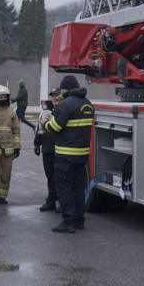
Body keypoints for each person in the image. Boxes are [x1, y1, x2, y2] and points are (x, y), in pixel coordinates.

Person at [46, 75, 94, 233]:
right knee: (78, 188)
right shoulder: (88, 104)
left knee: (64, 188)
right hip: (82, 156)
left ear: (65, 89)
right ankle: (79, 220)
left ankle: (68, 221)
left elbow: (54, 127)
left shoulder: (66, 104)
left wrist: (45, 124)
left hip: (65, 156)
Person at [0, 85, 21, 204]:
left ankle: (2, 196)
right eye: (0, 97)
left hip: (8, 149)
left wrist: (17, 147)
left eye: (4, 97)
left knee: (6, 174)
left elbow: (16, 131)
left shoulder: (12, 112)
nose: (3, 99)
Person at [34, 88, 60, 212]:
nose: (54, 98)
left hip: (59, 151)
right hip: (47, 150)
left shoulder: (62, 111)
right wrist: (36, 144)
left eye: (56, 95)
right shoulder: (46, 113)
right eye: (52, 96)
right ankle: (51, 201)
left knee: (59, 177)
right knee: (50, 177)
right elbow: (40, 129)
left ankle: (61, 203)